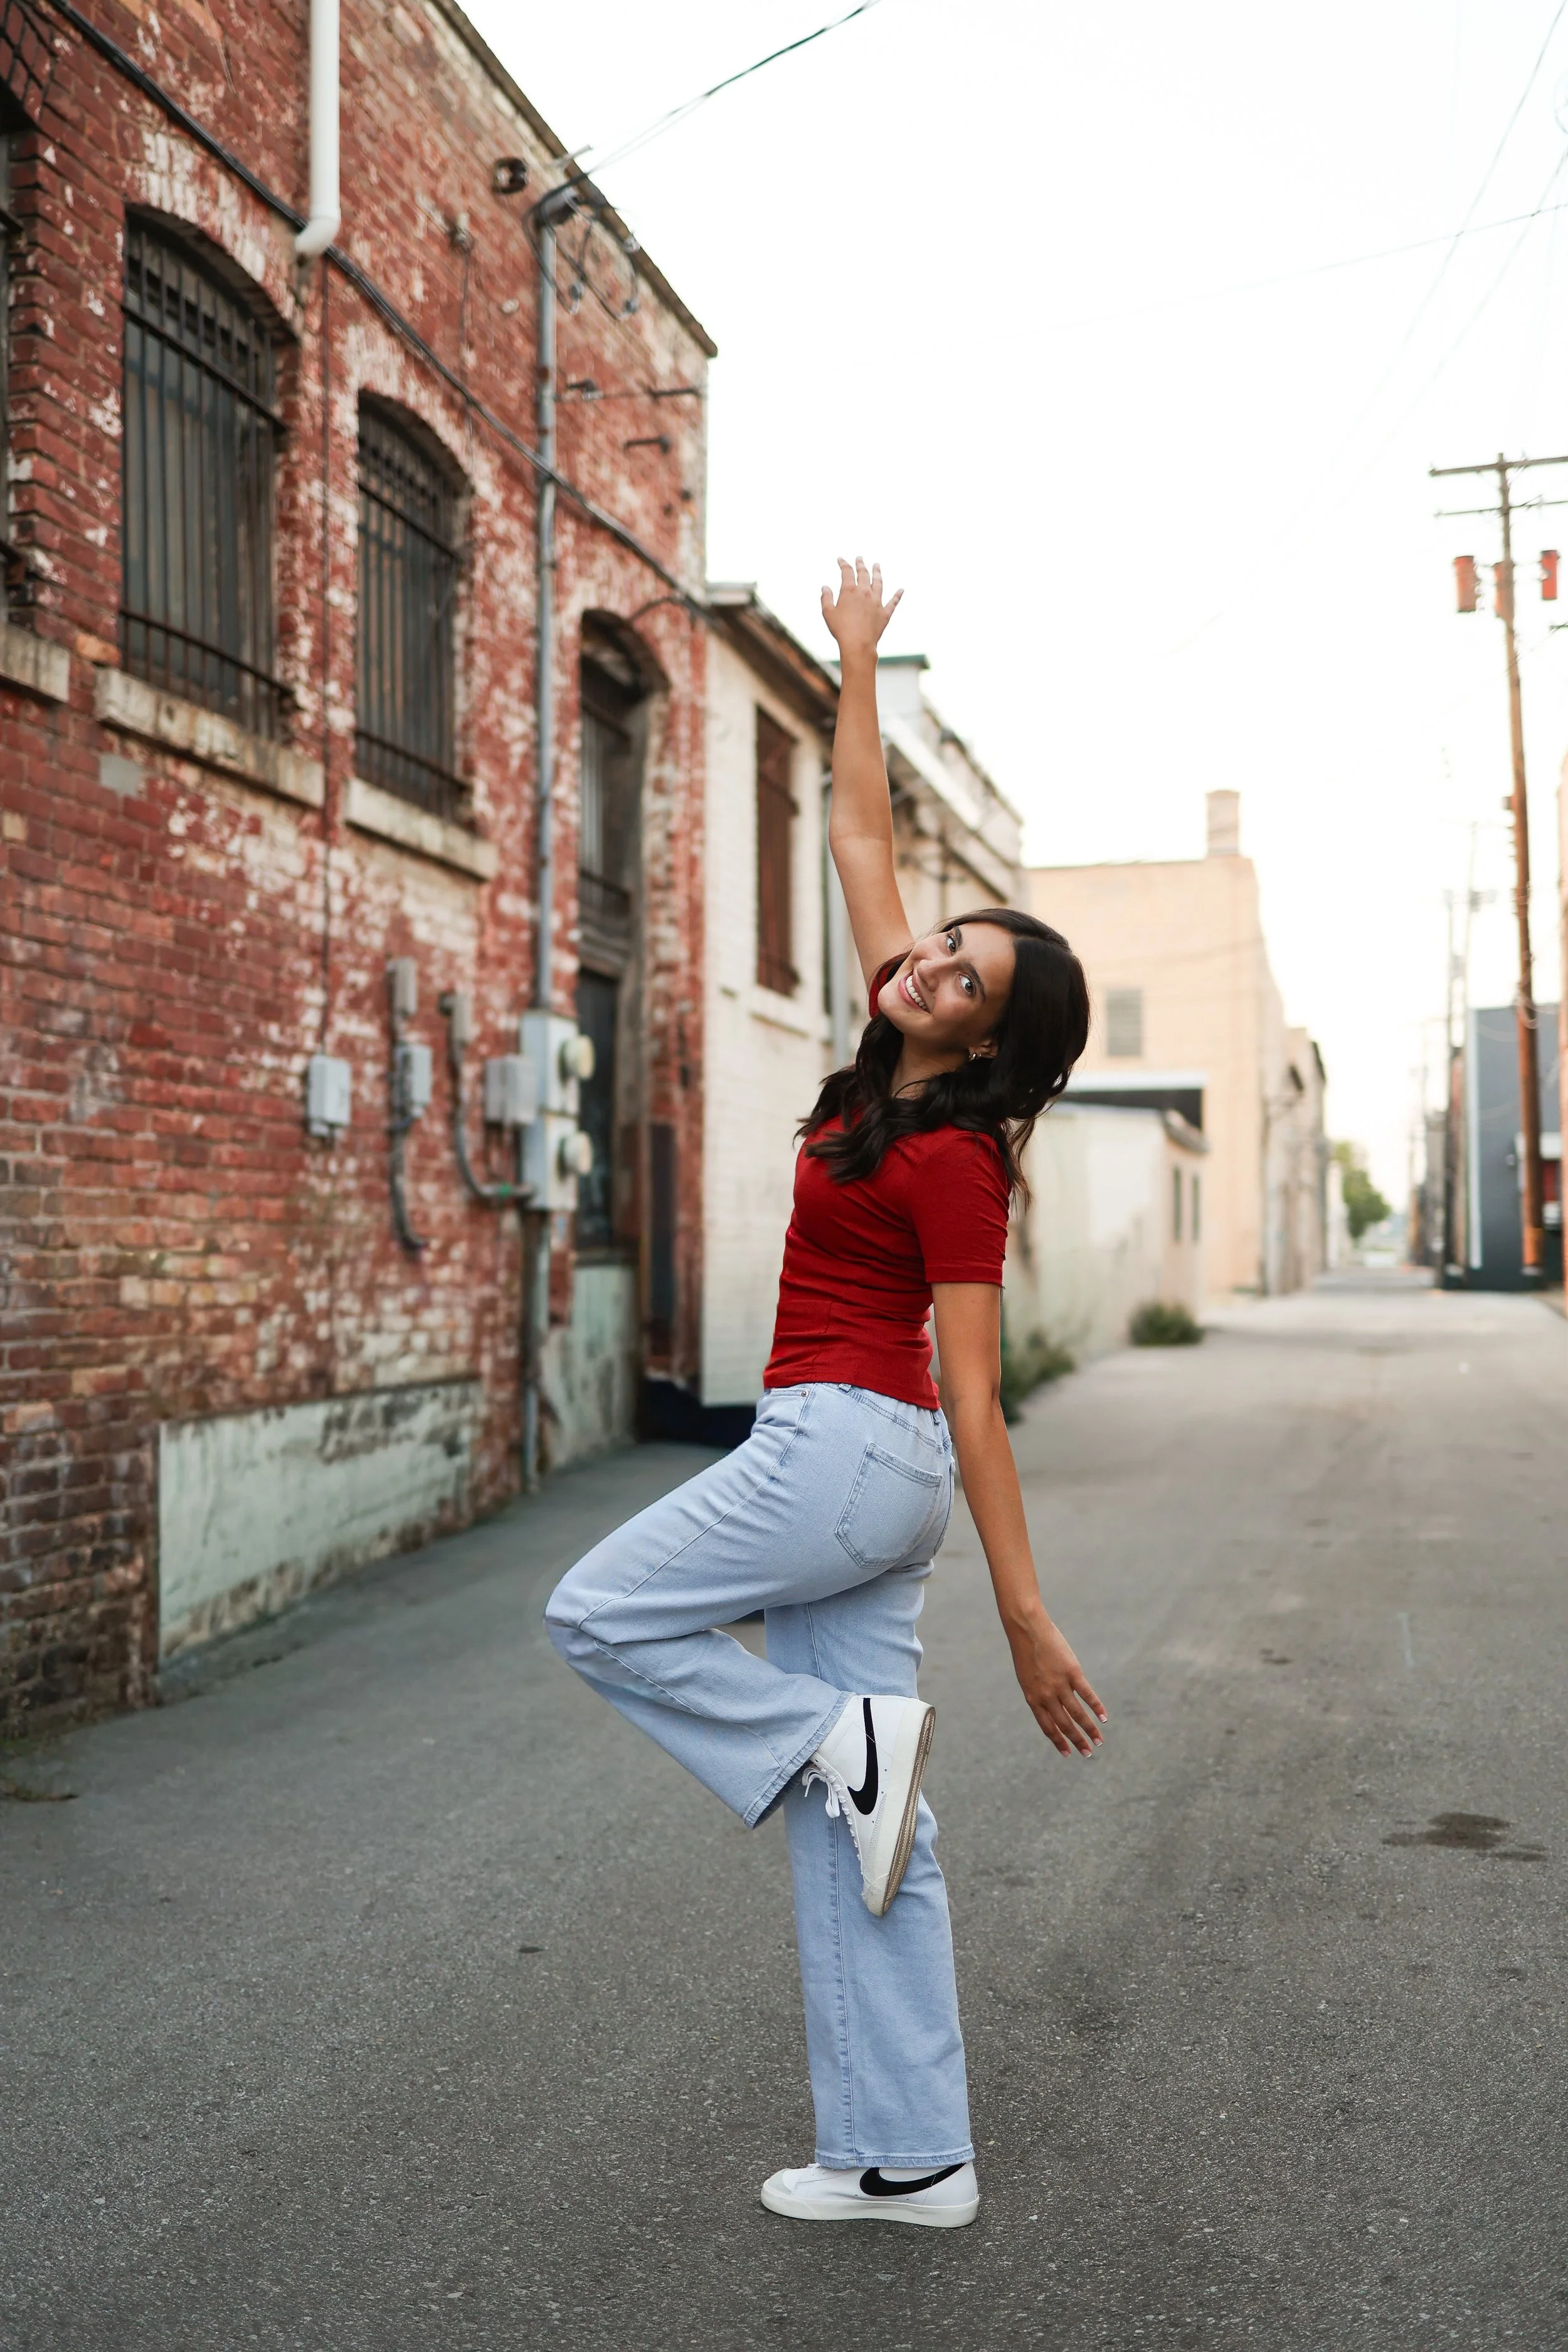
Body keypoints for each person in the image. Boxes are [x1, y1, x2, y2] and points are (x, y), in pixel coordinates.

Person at [546, 558, 1106, 2230]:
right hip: (863, 1472)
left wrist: (1022, 1612)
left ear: (994, 1045)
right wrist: (855, 660)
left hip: (849, 1451)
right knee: (869, 1825)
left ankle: (828, 1747)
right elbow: (860, 837)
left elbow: (975, 1396)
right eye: (940, 948)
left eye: (962, 979)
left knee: (597, 1612)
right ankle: (906, 2151)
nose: (926, 964)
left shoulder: (951, 1157)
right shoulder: (892, 1047)